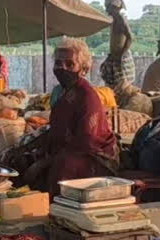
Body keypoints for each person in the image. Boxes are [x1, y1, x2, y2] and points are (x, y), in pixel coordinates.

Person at [23, 39, 118, 196]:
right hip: (65, 148)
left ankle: (55, 209)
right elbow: (56, 129)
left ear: (83, 69)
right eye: (58, 63)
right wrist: (27, 147)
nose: (63, 68)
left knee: (62, 166)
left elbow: (87, 141)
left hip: (94, 156)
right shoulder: (61, 92)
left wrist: (47, 161)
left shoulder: (87, 96)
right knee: (22, 159)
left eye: (70, 64)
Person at [100, 0, 135, 90]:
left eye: (108, 7)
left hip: (121, 58)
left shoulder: (120, 19)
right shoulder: (113, 20)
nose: (106, 10)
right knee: (111, 85)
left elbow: (130, 37)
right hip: (114, 57)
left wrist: (121, 54)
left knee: (122, 88)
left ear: (114, 7)